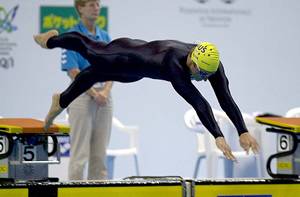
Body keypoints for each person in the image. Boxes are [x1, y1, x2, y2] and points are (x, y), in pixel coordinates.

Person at [34, 30, 259, 161]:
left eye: (202, 73)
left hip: (136, 73)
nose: (197, 72)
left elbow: (225, 98)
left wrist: (243, 131)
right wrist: (218, 135)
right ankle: (51, 41)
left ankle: (61, 100)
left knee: (93, 75)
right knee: (92, 52)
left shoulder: (214, 65)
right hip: (122, 54)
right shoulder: (174, 64)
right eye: (196, 68)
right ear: (193, 57)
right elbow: (198, 101)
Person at [61, 0, 113, 180]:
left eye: (98, 4)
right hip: (81, 94)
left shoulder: (104, 36)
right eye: (91, 4)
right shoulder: (72, 36)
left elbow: (113, 69)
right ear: (80, 8)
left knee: (100, 155)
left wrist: (105, 92)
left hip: (104, 97)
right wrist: (93, 93)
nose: (96, 8)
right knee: (80, 154)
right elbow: (73, 71)